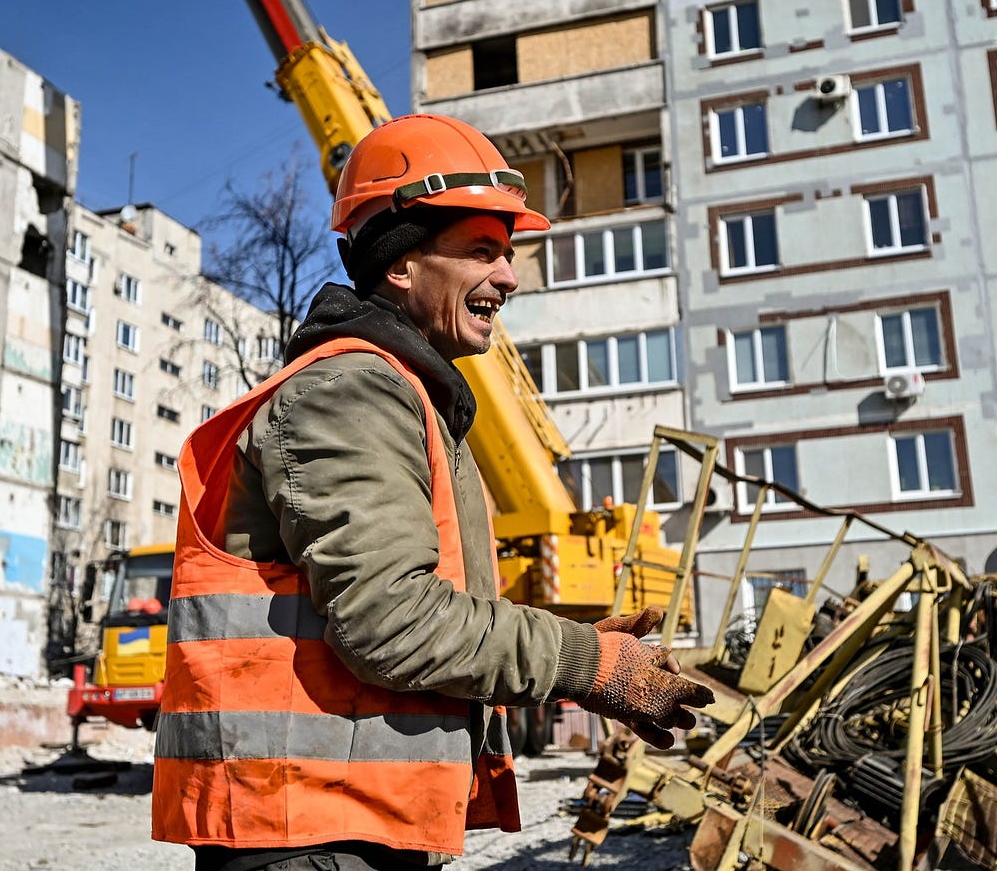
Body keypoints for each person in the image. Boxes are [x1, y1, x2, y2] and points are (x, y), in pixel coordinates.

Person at [151, 113, 713, 871]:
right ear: (401, 265)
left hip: (337, 823)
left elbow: (403, 603)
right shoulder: (349, 392)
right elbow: (392, 620)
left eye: (507, 254)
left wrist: (571, 649)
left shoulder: (404, 397)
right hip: (308, 833)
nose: (509, 275)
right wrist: (584, 661)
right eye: (483, 249)